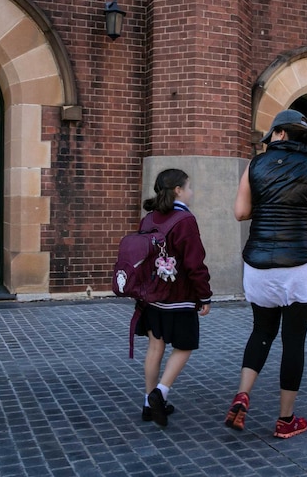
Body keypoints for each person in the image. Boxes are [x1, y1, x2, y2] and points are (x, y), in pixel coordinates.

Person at [225, 109, 307, 439]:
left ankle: (242, 395)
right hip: (302, 265)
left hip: (259, 265)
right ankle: (285, 419)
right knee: (293, 341)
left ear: (280, 134)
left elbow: (240, 212)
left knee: (261, 332)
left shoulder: (255, 165)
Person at [135, 168, 212, 427]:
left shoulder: (149, 219)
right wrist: (205, 295)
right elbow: (194, 263)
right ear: (178, 190)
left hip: (152, 295)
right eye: (189, 187)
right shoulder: (185, 221)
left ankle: (148, 402)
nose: (191, 192)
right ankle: (161, 391)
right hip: (179, 296)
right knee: (185, 345)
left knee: (155, 347)